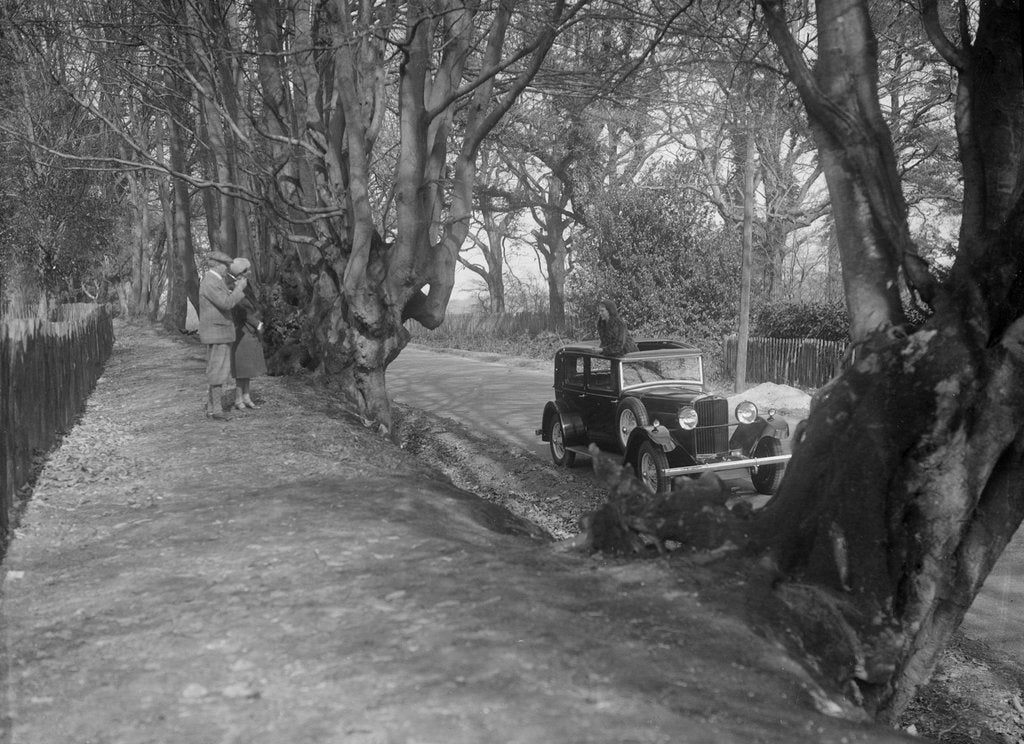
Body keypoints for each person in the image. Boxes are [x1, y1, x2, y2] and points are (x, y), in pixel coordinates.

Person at [198, 251, 247, 420]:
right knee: (218, 371)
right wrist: (239, 289)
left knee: (217, 370)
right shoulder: (211, 282)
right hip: (217, 332)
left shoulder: (216, 281)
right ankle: (217, 410)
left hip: (219, 332)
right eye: (226, 266)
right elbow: (226, 304)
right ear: (218, 266)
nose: (227, 269)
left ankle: (212, 409)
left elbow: (224, 298)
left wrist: (234, 288)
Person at [227, 257, 267, 410]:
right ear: (240, 272)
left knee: (247, 367)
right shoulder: (232, 288)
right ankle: (238, 399)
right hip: (241, 332)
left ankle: (246, 396)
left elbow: (252, 308)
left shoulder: (245, 286)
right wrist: (257, 324)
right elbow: (241, 311)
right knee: (241, 368)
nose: (249, 272)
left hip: (249, 331)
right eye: (247, 270)